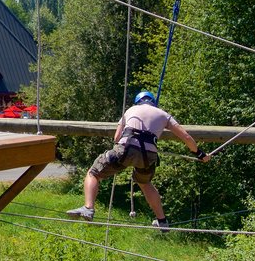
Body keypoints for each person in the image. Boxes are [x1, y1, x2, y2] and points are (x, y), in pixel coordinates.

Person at [66, 90, 210, 230]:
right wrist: (200, 154)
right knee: (145, 182)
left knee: (94, 173)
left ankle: (88, 208)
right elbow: (186, 137)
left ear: (138, 102)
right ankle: (162, 220)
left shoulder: (130, 110)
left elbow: (117, 138)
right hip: (148, 155)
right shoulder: (164, 115)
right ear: (153, 103)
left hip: (126, 148)